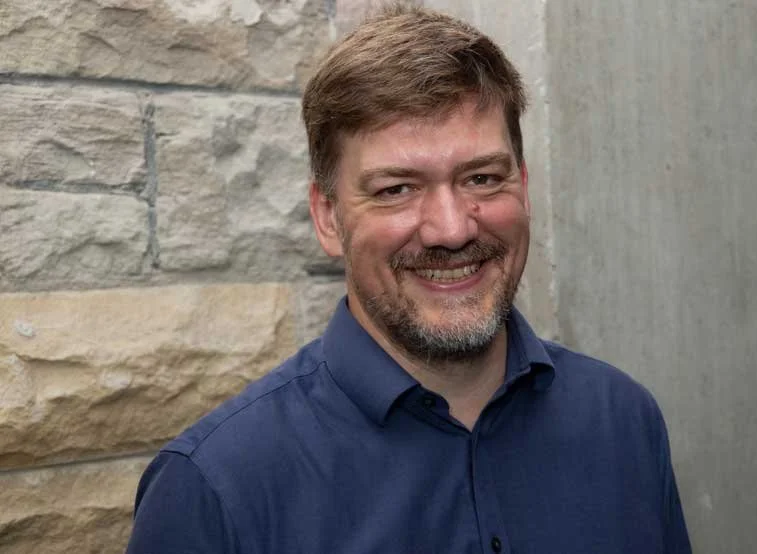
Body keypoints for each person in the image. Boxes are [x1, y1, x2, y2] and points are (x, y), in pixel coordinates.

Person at [125, 5, 692, 553]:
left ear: (523, 185)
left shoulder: (623, 422)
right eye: (396, 188)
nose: (450, 229)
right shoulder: (213, 491)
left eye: (481, 177)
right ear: (327, 217)